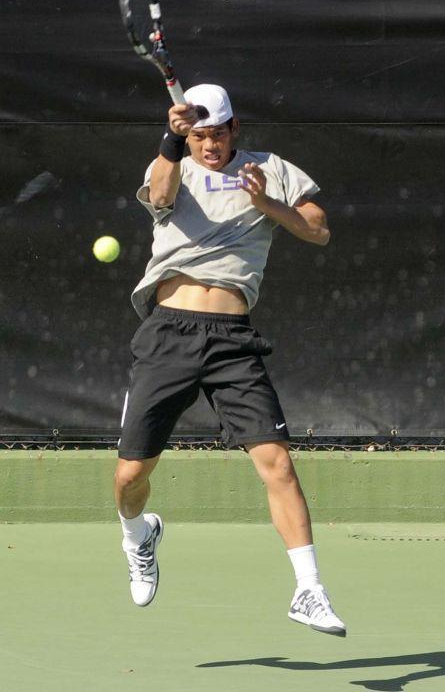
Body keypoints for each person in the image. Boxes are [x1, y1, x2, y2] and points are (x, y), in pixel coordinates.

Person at [115, 84, 346, 637]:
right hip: (169, 331)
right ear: (186, 134)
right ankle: (136, 534)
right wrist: (171, 143)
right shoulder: (170, 163)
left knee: (278, 463)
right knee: (129, 477)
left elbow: (318, 231)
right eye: (198, 135)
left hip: (232, 337)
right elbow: (163, 195)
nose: (209, 145)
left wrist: (266, 203)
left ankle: (309, 590)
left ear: (234, 129)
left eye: (217, 134)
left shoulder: (272, 168)